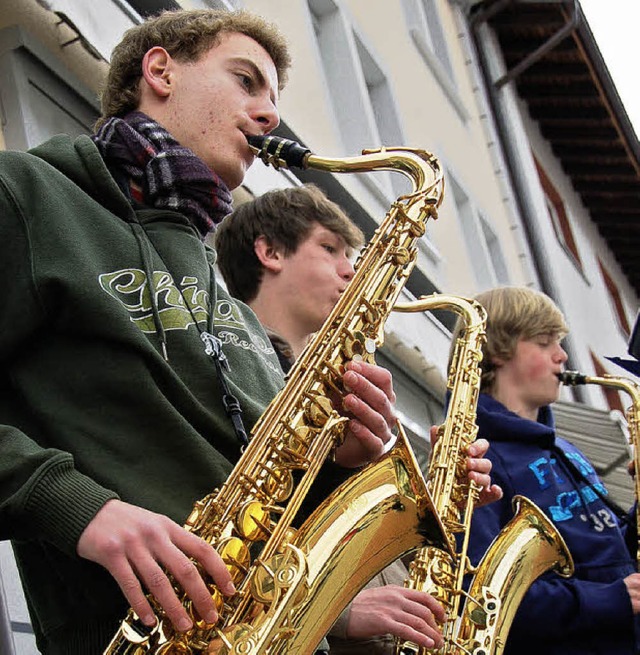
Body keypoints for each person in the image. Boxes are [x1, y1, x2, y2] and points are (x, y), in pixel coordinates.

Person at [0, 10, 401, 654]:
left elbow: (267, 506)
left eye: (275, 98)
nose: (269, 115)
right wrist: (76, 506)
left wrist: (338, 464)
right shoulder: (28, 194)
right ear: (159, 71)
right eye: (247, 82)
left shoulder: (226, 294)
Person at [215, 183, 502, 654]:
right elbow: (236, 534)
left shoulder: (342, 386)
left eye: (350, 253)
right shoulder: (227, 363)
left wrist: (440, 497)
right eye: (329, 249)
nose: (350, 269)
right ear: (269, 252)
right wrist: (337, 611)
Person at [463, 285, 640, 655]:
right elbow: (484, 593)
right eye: (545, 343)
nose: (562, 356)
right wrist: (609, 599)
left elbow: (607, 549)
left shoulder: (564, 448)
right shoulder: (477, 454)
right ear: (497, 350)